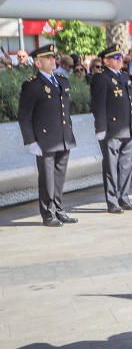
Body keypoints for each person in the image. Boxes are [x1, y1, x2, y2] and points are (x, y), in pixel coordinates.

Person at [18, 44, 77, 227]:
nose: (53, 60)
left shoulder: (62, 81)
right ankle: (48, 214)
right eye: (48, 58)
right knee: (47, 179)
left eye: (54, 57)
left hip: (64, 137)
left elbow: (65, 111)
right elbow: (24, 116)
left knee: (59, 178)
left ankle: (59, 209)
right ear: (37, 63)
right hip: (45, 140)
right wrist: (31, 141)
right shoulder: (32, 85)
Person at [90, 44, 132, 214]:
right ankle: (112, 201)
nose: (120, 61)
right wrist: (101, 127)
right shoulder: (101, 78)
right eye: (116, 58)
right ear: (106, 61)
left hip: (128, 127)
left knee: (126, 166)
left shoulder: (125, 77)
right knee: (111, 167)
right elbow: (98, 105)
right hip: (112, 129)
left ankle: (124, 197)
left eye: (121, 57)